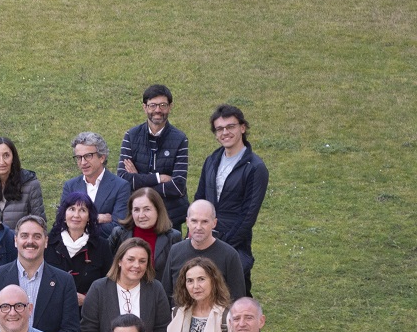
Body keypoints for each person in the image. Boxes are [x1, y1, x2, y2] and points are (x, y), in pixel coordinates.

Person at [194, 104, 268, 294]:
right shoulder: (211, 160)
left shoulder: (255, 167)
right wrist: (194, 233)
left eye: (230, 127)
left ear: (242, 128)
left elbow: (248, 215)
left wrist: (222, 246)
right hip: (205, 237)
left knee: (234, 298)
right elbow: (200, 199)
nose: (225, 132)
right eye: (219, 129)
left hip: (235, 245)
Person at [0, 216, 81, 332]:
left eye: (37, 236)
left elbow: (70, 329)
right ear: (16, 241)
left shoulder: (64, 281)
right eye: (24, 236)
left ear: (46, 241)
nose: (30, 241)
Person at [78, 238, 170, 332]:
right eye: (131, 259)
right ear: (119, 261)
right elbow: (88, 329)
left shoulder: (156, 289)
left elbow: (162, 329)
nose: (136, 265)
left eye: (142, 261)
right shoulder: (99, 288)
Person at [118, 85, 190, 228]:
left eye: (163, 105)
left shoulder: (180, 139)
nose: (158, 110)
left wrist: (139, 181)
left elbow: (177, 186)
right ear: (145, 107)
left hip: (169, 217)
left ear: (170, 107)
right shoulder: (131, 136)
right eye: (153, 105)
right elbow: (123, 179)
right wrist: (159, 178)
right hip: (138, 216)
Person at [159, 199, 248, 305]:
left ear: (214, 223)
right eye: (194, 221)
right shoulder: (175, 251)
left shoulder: (230, 255)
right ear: (187, 222)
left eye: (204, 222)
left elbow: (237, 300)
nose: (198, 227)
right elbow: (166, 294)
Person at [44, 191, 112, 319]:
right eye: (72, 209)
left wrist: (87, 300)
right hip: (52, 314)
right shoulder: (48, 243)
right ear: (64, 215)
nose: (76, 215)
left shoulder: (101, 246)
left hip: (88, 316)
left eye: (82, 210)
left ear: (89, 217)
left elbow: (108, 284)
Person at [60, 131, 130, 227]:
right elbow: (62, 220)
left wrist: (78, 224)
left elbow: (117, 227)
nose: (83, 162)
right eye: (79, 157)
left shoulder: (120, 186)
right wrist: (95, 218)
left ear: (102, 158)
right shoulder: (70, 186)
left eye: (88, 156)